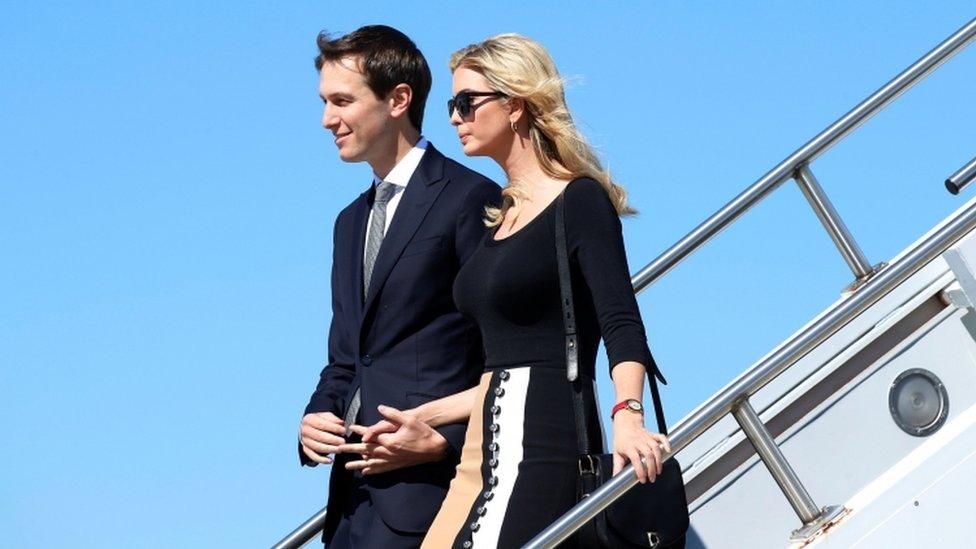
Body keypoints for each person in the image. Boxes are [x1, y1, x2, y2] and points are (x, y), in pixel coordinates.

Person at [407, 34, 673, 548]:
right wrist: (428, 414)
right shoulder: (498, 220)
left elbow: (620, 321)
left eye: (467, 102)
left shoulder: (579, 201)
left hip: (544, 440)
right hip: (483, 446)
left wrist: (629, 416)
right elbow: (504, 364)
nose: (455, 117)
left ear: (515, 106)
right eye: (450, 104)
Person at [297, 25, 501, 548]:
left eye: (342, 100)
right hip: (349, 506)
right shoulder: (348, 223)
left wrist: (442, 440)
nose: (327, 119)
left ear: (398, 99)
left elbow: (504, 352)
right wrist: (318, 415)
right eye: (324, 102)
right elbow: (348, 357)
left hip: (435, 495)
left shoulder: (469, 197)